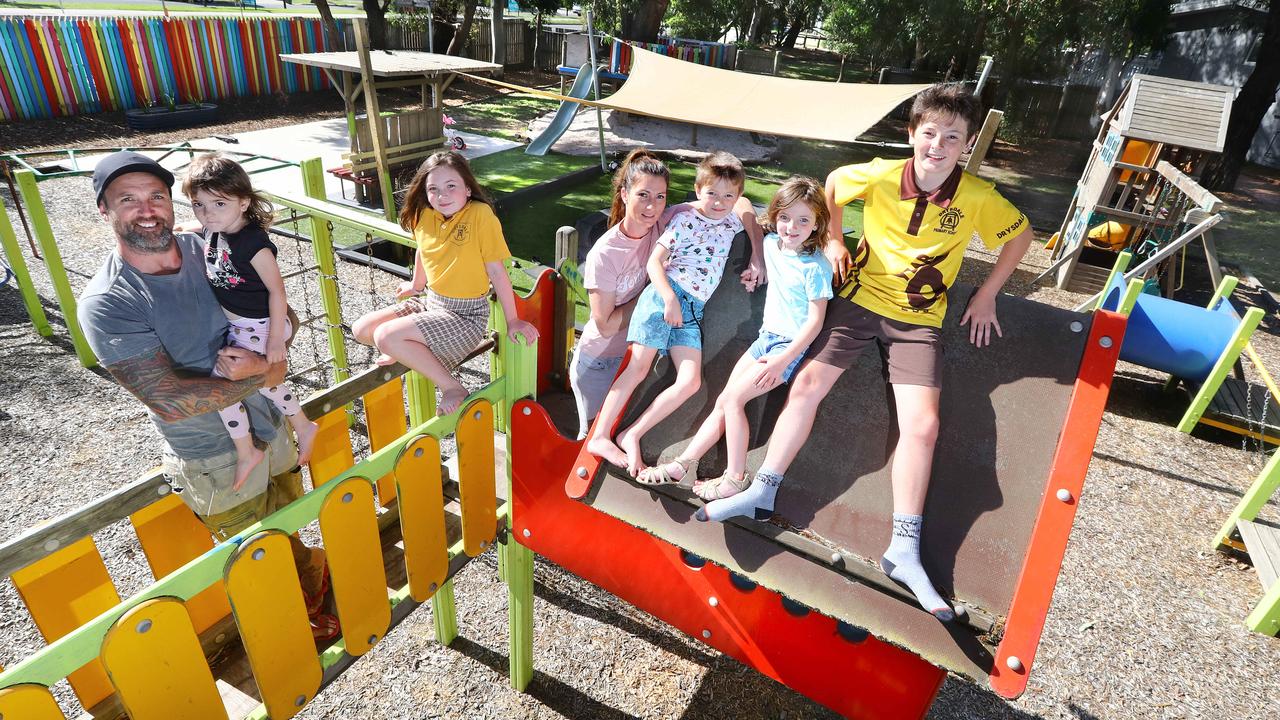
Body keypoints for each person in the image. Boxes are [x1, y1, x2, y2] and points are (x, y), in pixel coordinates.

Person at [699, 84, 1034, 624]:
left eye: (953, 137)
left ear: (968, 144)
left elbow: (1020, 237)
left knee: (922, 427)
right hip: (858, 302)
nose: (938, 146)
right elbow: (832, 184)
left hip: (918, 321)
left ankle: (905, 547)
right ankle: (763, 489)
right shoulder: (880, 174)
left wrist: (988, 291)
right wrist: (832, 238)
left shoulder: (976, 197)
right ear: (912, 135)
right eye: (929, 134)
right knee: (805, 385)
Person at [78, 151, 337, 641]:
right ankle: (289, 627)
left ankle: (312, 592)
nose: (148, 209)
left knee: (286, 524)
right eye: (128, 200)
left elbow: (279, 317)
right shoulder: (109, 301)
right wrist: (266, 372)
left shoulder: (209, 247)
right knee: (252, 554)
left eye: (156, 196)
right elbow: (169, 399)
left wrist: (268, 359)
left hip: (268, 424)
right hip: (213, 457)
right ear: (104, 210)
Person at [635, 177, 833, 499]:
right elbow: (742, 204)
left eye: (803, 221)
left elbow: (815, 321)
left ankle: (735, 478)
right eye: (784, 217)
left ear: (816, 224)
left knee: (733, 400)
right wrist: (755, 253)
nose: (791, 228)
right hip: (764, 339)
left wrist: (783, 359)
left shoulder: (815, 267)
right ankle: (683, 464)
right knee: (724, 399)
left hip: (787, 348)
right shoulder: (772, 245)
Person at [585, 150, 748, 477]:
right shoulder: (685, 219)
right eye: (711, 193)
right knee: (638, 368)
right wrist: (669, 298)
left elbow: (745, 210)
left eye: (728, 196)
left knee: (689, 382)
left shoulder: (732, 221)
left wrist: (757, 250)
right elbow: (653, 263)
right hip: (664, 298)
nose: (719, 201)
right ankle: (600, 437)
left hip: (693, 310)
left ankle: (631, 433)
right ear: (698, 190)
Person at [351, 151, 539, 416]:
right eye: (433, 189)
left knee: (385, 335)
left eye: (451, 186)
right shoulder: (424, 215)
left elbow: (497, 273)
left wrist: (513, 321)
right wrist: (416, 286)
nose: (443, 196)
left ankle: (452, 387)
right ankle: (402, 347)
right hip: (432, 303)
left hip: (465, 316)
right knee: (362, 329)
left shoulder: (480, 215)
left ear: (468, 189)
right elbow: (423, 250)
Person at [180, 152, 319, 491]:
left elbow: (277, 291)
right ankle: (302, 425)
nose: (207, 213)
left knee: (225, 385)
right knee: (266, 384)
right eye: (198, 204)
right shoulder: (216, 228)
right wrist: (191, 226)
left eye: (218, 204)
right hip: (244, 325)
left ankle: (247, 451)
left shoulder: (254, 244)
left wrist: (275, 341)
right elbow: (206, 223)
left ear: (243, 202)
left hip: (262, 325)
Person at [569, 149, 671, 440]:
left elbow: (732, 200)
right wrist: (652, 294)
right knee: (591, 440)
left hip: (635, 357)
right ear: (625, 195)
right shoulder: (606, 253)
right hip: (599, 361)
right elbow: (605, 324)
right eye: (643, 195)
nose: (652, 205)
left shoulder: (662, 225)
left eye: (660, 196)